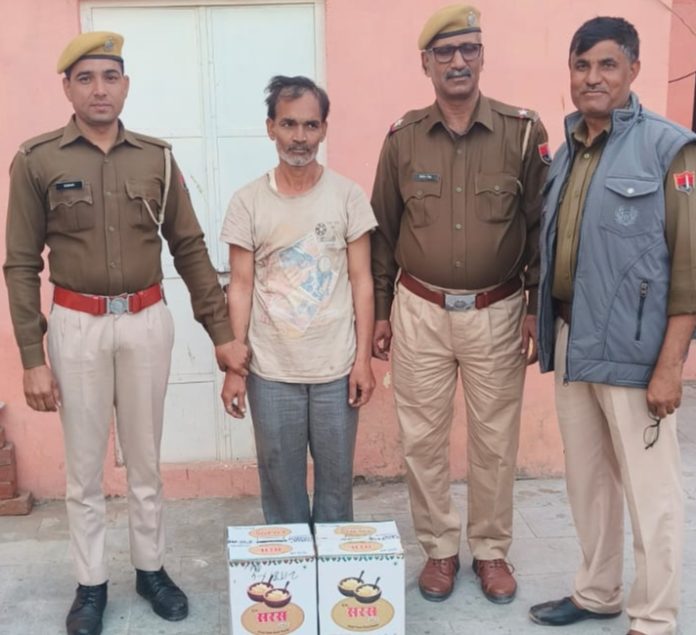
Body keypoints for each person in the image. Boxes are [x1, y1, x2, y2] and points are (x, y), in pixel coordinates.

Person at [3, 32, 248, 635]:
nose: (99, 89)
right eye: (85, 78)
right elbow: (20, 263)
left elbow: (189, 248)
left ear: (126, 85)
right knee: (84, 468)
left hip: (145, 321)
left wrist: (220, 333)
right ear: (67, 87)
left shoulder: (156, 159)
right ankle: (90, 584)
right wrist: (33, 356)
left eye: (110, 77)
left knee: (145, 460)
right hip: (76, 326)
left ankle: (151, 569)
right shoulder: (37, 160)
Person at [370, 4, 548, 604]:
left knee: (495, 440)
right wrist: (381, 312)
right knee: (421, 438)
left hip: (498, 310)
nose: (457, 61)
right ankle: (439, 549)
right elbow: (383, 231)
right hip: (419, 309)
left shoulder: (522, 132)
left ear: (482, 56)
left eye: (468, 49)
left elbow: (539, 225)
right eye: (444, 52)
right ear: (426, 63)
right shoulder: (402, 139)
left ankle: (491, 550)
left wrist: (534, 306)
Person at [531, 17, 696, 635]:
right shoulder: (566, 150)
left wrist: (670, 365)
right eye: (582, 65)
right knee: (588, 482)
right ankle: (597, 592)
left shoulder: (668, 148)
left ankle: (654, 618)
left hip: (636, 350)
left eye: (606, 64)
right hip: (573, 340)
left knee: (651, 494)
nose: (592, 77)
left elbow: (691, 266)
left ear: (633, 70)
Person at [220, 75, 377, 525]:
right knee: (281, 489)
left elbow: (362, 281)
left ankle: (331, 568)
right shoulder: (248, 202)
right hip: (271, 373)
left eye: (310, 125)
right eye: (289, 124)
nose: (300, 137)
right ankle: (291, 569)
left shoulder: (347, 196)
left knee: (336, 492)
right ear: (270, 127)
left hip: (336, 371)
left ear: (324, 129)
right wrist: (235, 368)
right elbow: (240, 286)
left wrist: (362, 361)